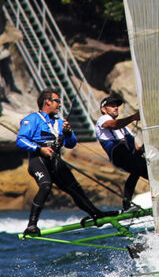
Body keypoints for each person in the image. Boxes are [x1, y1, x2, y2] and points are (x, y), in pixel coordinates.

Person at [16, 88, 111, 236]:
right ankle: (32, 225)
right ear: (48, 102)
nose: (60, 105)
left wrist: (67, 133)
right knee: (46, 186)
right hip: (38, 160)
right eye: (57, 101)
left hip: (56, 161)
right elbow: (21, 140)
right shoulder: (32, 119)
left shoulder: (60, 122)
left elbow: (71, 144)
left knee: (75, 188)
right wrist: (40, 149)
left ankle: (96, 214)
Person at [93, 94, 147, 212]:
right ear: (103, 109)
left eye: (116, 105)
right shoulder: (103, 119)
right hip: (117, 154)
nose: (115, 107)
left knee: (147, 170)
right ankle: (126, 204)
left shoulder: (125, 129)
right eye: (112, 105)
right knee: (137, 167)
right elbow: (113, 125)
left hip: (129, 156)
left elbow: (136, 148)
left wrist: (145, 147)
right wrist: (133, 117)